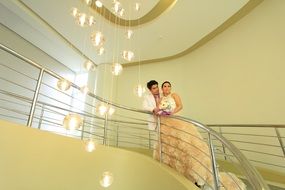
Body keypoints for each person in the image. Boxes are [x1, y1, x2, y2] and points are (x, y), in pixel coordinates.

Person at [153, 81, 246, 190]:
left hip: (176, 120)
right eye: (164, 86)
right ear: (162, 88)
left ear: (171, 87)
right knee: (170, 146)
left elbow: (180, 106)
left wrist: (171, 112)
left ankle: (194, 172)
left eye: (168, 86)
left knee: (185, 144)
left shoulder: (174, 95)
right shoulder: (160, 99)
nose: (167, 88)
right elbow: (157, 110)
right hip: (165, 123)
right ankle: (175, 170)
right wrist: (159, 111)